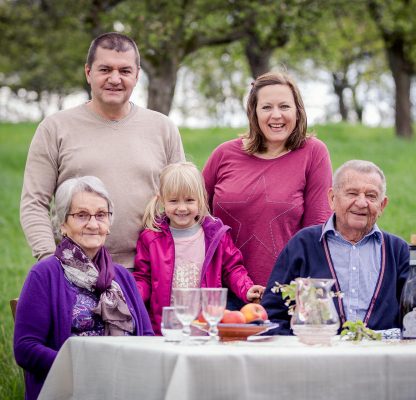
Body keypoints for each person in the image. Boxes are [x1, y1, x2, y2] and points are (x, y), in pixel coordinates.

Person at [20, 32, 185, 269]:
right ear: (88, 72)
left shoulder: (163, 128)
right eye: (105, 70)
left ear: (137, 75)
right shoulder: (55, 128)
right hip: (76, 269)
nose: (115, 79)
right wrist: (50, 261)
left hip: (148, 270)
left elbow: (181, 200)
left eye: (125, 71)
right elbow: (34, 203)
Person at [14, 176, 154, 400]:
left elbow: (147, 337)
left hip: (124, 388)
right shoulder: (45, 274)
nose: (93, 223)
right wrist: (82, 370)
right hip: (70, 390)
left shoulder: (122, 278)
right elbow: (26, 348)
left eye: (101, 215)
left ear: (109, 223)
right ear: (62, 224)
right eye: (81, 215)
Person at [261, 159, 416, 335]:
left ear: (382, 205)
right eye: (352, 193)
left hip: (382, 357)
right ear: (332, 199)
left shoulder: (398, 250)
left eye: (371, 196)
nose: (361, 203)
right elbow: (273, 314)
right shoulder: (302, 244)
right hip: (318, 357)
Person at [203, 71, 332, 308]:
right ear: (253, 112)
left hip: (284, 294)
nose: (276, 115)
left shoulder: (313, 153)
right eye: (266, 107)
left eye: (284, 106)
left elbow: (318, 231)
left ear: (297, 111)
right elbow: (193, 215)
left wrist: (306, 298)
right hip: (221, 293)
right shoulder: (223, 154)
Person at [133, 162, 265, 335]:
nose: (182, 208)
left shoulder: (216, 235)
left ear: (201, 199)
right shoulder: (151, 238)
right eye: (173, 201)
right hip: (166, 329)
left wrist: (246, 289)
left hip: (207, 327)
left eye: (189, 200)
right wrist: (130, 296)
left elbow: (233, 269)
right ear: (162, 200)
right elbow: (143, 278)